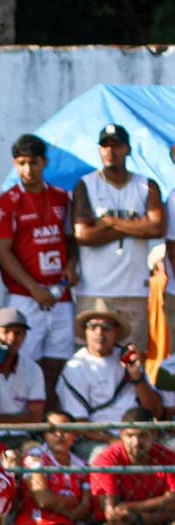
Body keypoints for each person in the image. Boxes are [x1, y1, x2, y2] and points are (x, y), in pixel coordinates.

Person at [0, 133, 78, 390]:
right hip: (25, 297)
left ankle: (49, 422)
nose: (28, 169)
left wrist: (71, 265)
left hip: (60, 296)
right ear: (14, 164)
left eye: (34, 163)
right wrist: (33, 288)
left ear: (44, 162)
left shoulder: (62, 197)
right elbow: (3, 252)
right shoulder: (6, 203)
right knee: (20, 363)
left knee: (59, 364)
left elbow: (71, 239)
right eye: (21, 163)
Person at [72, 123, 165, 354]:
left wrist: (111, 222)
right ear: (99, 150)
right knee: (91, 360)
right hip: (95, 291)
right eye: (105, 146)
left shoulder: (146, 185)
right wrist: (136, 226)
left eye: (116, 145)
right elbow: (83, 235)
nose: (110, 151)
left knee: (134, 360)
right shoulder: (86, 184)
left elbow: (156, 228)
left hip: (134, 291)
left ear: (127, 149)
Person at [56, 300, 162, 451]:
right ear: (86, 332)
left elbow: (154, 411)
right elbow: (79, 424)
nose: (99, 332)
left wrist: (137, 377)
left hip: (139, 435)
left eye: (106, 327)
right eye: (93, 327)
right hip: (99, 439)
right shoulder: (75, 367)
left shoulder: (128, 359)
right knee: (105, 458)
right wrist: (116, 441)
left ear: (117, 332)